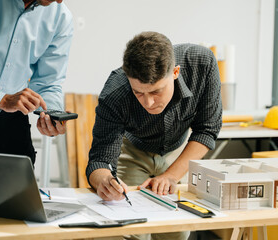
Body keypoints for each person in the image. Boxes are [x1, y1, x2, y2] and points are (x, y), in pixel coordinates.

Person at [86, 31, 222, 240]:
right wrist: (104, 181)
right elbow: (100, 160)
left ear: (175, 72)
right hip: (133, 150)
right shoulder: (115, 93)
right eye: (138, 93)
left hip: (179, 151)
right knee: (130, 229)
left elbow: (207, 129)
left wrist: (171, 175)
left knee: (176, 229)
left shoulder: (203, 64)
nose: (148, 103)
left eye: (156, 91)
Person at [0, 0, 73, 239]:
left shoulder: (60, 17)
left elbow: (49, 83)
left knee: (12, 223)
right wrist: (0, 99)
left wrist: (50, 113)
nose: (60, 0)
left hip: (10, 127)